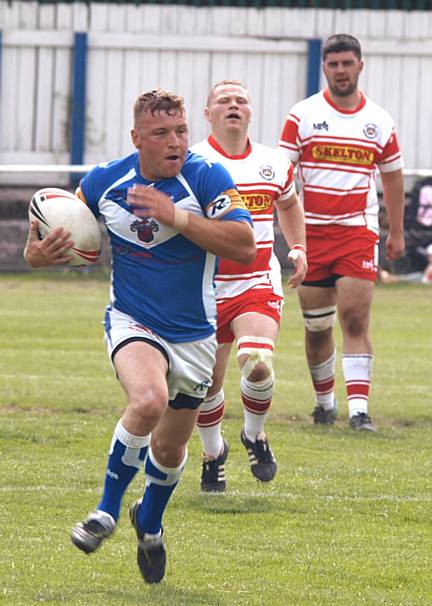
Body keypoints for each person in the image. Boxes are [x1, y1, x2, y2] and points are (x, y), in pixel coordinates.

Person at [24, 88, 255, 583]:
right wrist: (36, 253)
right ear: (137, 139)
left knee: (170, 451)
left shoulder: (206, 175)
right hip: (133, 320)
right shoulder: (106, 181)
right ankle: (106, 511)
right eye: (160, 134)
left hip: (195, 334)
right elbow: (51, 226)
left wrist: (175, 216)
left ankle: (148, 522)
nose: (174, 142)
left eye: (180, 131)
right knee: (147, 401)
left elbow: (244, 245)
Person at [278, 34, 405, 432]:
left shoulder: (379, 121)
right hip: (311, 235)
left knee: (353, 319)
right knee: (317, 326)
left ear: (360, 67)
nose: (341, 71)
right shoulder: (303, 115)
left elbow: (394, 176)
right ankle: (324, 403)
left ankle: (359, 410)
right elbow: (282, 177)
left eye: (347, 63)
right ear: (325, 68)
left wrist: (396, 232)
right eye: (333, 64)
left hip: (357, 232)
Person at [190, 80, 307, 492]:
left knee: (257, 360)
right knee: (206, 384)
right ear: (208, 113)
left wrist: (297, 248)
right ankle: (213, 452)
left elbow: (289, 204)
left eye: (241, 100)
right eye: (224, 101)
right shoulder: (192, 162)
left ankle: (254, 435)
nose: (233, 106)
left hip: (256, 279)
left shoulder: (273, 163)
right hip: (203, 287)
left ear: (251, 111)